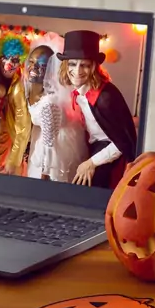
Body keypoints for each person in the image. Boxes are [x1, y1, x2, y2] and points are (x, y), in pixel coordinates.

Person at [57, 30, 139, 190]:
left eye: (85, 65)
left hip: (112, 151)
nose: (78, 71)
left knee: (88, 187)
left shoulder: (105, 97)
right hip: (92, 144)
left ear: (93, 67)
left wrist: (91, 163)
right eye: (73, 64)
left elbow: (122, 143)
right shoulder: (79, 90)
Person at [25, 50, 89, 182]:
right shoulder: (36, 92)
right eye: (31, 62)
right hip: (49, 141)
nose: (34, 68)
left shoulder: (49, 103)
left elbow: (49, 145)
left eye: (42, 65)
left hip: (54, 153)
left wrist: (44, 175)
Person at [0, 32, 32, 174]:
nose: (8, 64)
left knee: (16, 173)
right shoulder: (2, 79)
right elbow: (6, 129)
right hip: (11, 131)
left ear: (20, 62)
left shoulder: (18, 89)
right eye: (5, 58)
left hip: (23, 138)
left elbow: (23, 129)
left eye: (14, 60)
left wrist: (13, 160)